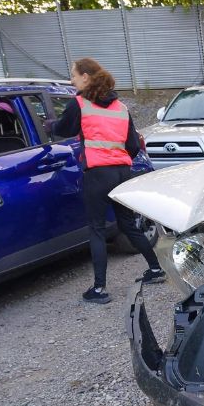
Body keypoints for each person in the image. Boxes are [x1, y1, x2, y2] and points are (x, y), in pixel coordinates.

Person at [51, 57, 165, 304]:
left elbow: (62, 130)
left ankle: (99, 289)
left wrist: (51, 124)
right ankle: (156, 269)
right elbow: (133, 145)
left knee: (97, 229)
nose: (71, 80)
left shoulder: (79, 104)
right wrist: (118, 159)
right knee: (128, 225)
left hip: (98, 174)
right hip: (122, 172)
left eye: (73, 75)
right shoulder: (121, 107)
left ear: (85, 77)